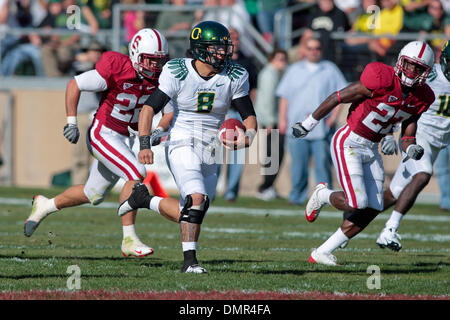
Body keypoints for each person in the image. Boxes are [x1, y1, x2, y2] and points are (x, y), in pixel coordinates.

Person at [117, 21, 258, 273]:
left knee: (194, 210)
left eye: (225, 47)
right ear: (201, 49)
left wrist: (248, 137)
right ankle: (190, 262)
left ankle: (144, 199)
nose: (223, 53)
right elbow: (149, 108)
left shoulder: (235, 74)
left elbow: (248, 114)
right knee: (197, 199)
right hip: (183, 141)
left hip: (212, 147)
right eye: (216, 48)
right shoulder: (177, 70)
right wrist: (145, 143)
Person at [24, 28, 172, 258]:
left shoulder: (163, 78)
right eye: (149, 60)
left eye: (159, 61)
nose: (154, 66)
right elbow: (75, 84)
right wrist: (71, 122)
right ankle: (129, 239)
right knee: (136, 172)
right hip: (103, 133)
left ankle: (45, 205)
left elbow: (169, 112)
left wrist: (159, 130)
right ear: (135, 54)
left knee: (93, 194)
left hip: (123, 138)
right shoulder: (117, 65)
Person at [293, 41, 435, 265]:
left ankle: (322, 251)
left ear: (426, 72)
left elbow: (408, 137)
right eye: (408, 65)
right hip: (349, 141)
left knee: (374, 207)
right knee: (357, 202)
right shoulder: (381, 78)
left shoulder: (422, 97)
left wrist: (412, 149)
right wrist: (309, 123)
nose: (411, 71)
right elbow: (338, 96)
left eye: (417, 68)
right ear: (400, 62)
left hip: (371, 147)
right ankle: (322, 195)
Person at [375, 41, 450, 250]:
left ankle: (349, 222)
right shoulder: (430, 75)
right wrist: (390, 132)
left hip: (438, 143)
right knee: (424, 174)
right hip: (418, 137)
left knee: (392, 194)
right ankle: (390, 229)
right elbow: (400, 99)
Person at [277, 37, 347, 205]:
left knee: (322, 165)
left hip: (321, 127)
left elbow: (341, 95)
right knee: (298, 166)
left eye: (317, 48)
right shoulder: (294, 69)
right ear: (304, 50)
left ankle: (324, 198)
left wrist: (333, 118)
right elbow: (284, 97)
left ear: (321, 50)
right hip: (296, 125)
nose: (314, 51)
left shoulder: (330, 69)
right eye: (310, 48)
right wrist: (282, 119)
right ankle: (297, 197)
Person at [254, 48, 288, 200]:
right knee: (273, 155)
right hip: (271, 120)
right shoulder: (270, 75)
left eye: (284, 59)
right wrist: (268, 122)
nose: (283, 62)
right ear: (272, 59)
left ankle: (268, 186)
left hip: (272, 119)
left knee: (274, 154)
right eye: (279, 59)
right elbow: (267, 99)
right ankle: (265, 187)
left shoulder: (274, 74)